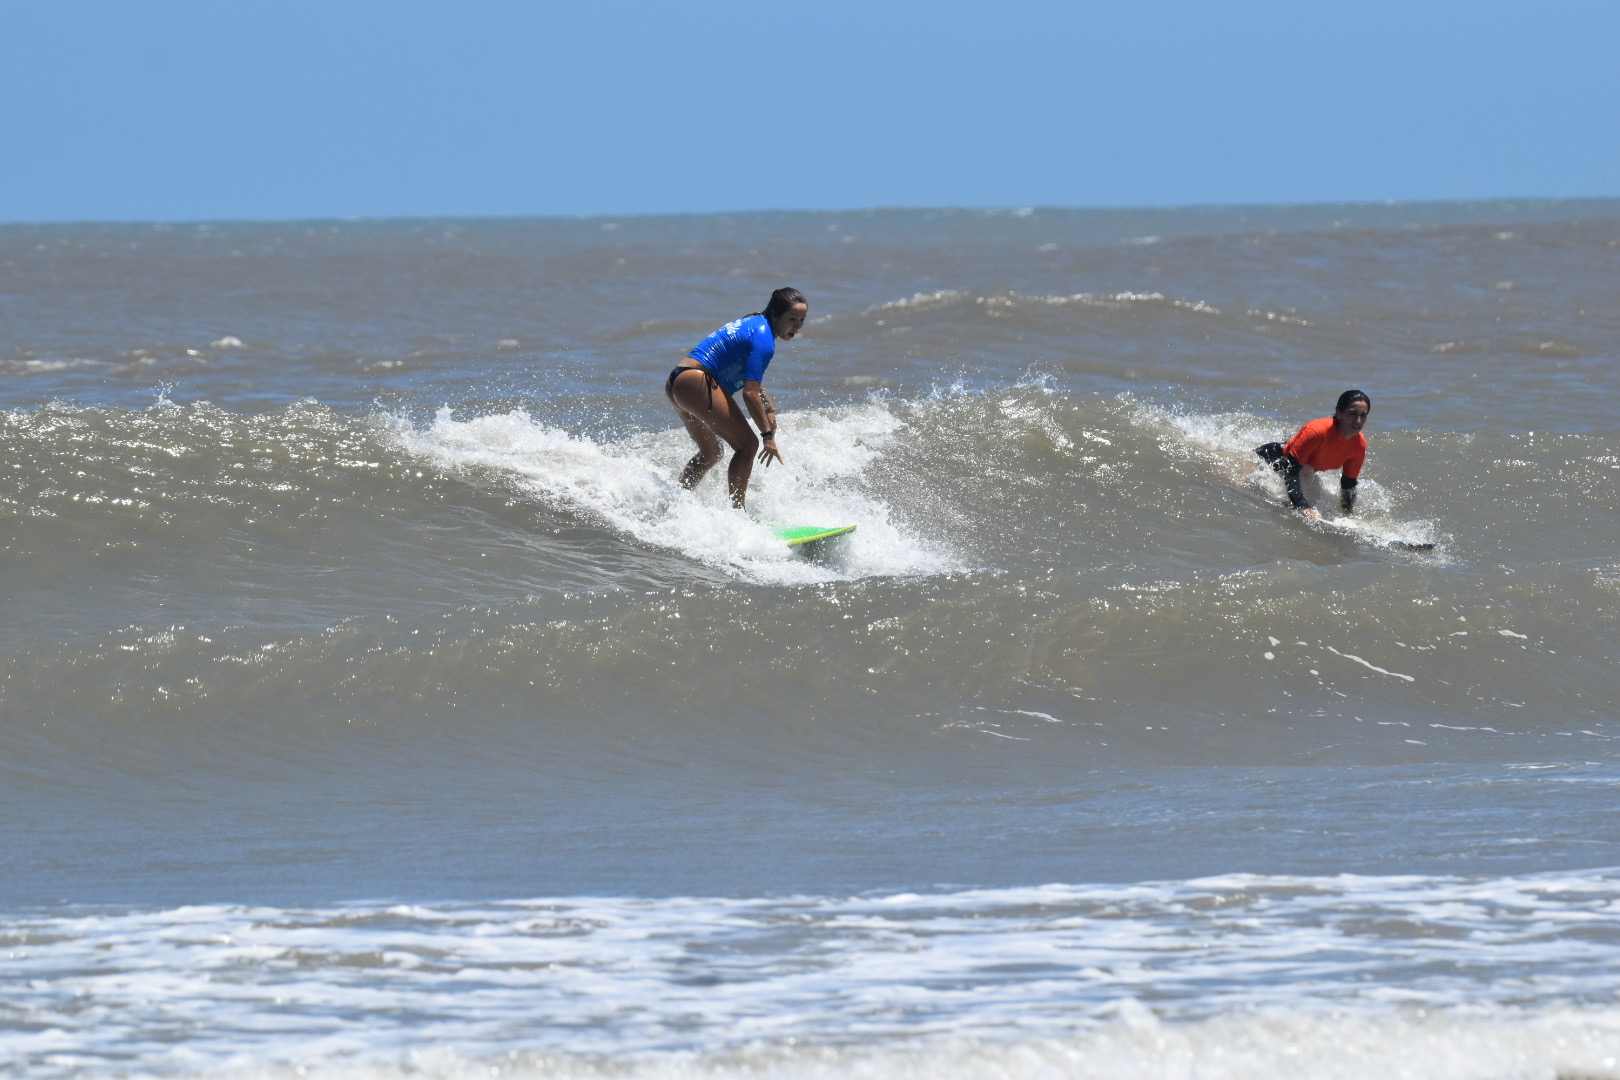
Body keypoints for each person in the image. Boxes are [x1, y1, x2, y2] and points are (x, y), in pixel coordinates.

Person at [664, 287, 807, 509]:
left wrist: (768, 407)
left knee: (711, 453)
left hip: (678, 381)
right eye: (793, 318)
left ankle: (673, 505)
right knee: (748, 445)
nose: (798, 326)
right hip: (695, 382)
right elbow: (750, 393)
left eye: (802, 320)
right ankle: (738, 513)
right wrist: (767, 436)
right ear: (776, 314)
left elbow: (753, 382)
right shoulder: (764, 339)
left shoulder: (755, 323)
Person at [1254, 390, 1371, 519]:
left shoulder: (1359, 445)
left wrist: (1347, 514)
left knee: (1324, 510)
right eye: (1352, 414)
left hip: (1304, 471)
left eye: (1363, 415)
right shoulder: (1317, 431)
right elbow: (1291, 470)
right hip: (1267, 458)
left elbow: (1348, 484)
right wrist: (1303, 506)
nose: (1358, 421)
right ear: (1339, 413)